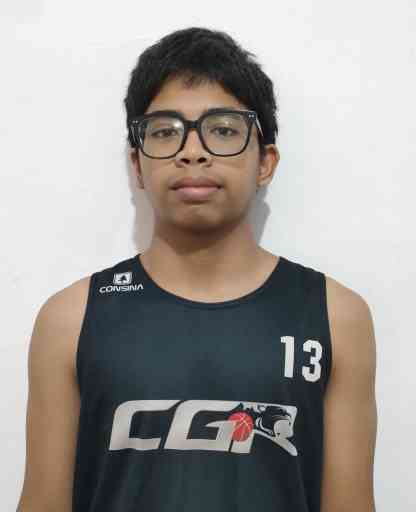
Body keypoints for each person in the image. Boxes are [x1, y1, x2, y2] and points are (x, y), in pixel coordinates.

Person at [17, 27, 377, 512]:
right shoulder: (70, 319)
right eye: (165, 131)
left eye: (223, 129)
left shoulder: (336, 316)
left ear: (265, 161)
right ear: (137, 164)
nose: (193, 151)